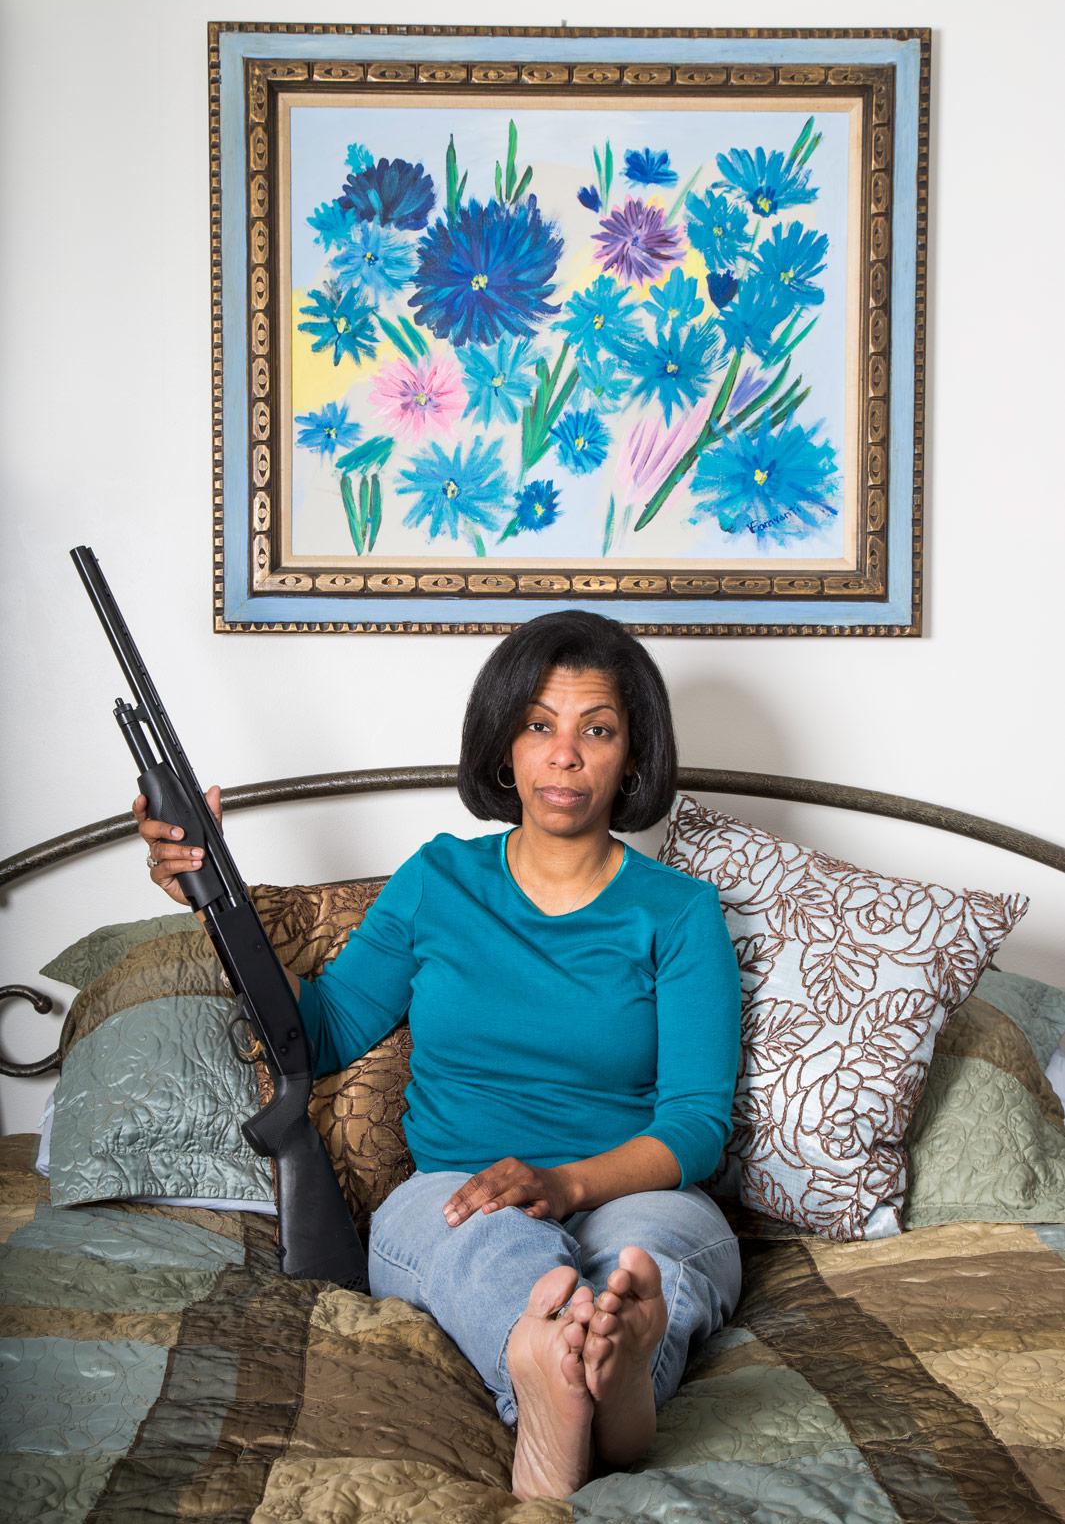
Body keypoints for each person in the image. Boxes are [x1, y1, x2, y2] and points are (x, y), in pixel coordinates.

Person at [134, 609, 742, 1502]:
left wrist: (567, 1185)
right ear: (503, 747)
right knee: (495, 1256)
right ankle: (562, 1371)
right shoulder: (439, 881)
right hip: (455, 1192)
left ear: (634, 756)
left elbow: (696, 1123)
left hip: (634, 1191)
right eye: (539, 725)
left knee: (653, 1263)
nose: (564, 755)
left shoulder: (679, 912)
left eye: (597, 729)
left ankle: (606, 1381)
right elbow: (327, 1029)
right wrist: (210, 899)